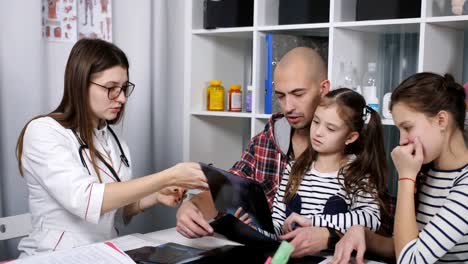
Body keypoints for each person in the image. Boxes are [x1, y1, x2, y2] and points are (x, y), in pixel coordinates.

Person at [16, 38, 208, 256]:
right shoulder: (43, 131)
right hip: (53, 255)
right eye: (111, 88)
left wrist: (156, 195)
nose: (122, 98)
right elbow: (87, 200)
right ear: (80, 83)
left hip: (103, 252)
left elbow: (116, 208)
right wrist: (168, 177)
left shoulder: (113, 142)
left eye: (124, 88)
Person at [176, 47, 330, 238]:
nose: (288, 107)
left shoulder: (352, 145)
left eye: (298, 94)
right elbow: (228, 192)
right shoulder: (264, 143)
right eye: (281, 96)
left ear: (323, 89)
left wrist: (329, 237)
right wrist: (192, 207)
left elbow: (370, 220)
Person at [333, 72, 468, 264]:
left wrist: (405, 177)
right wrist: (362, 233)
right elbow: (404, 245)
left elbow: (409, 260)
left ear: (441, 121)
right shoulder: (428, 171)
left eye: (408, 127)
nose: (402, 141)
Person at [253, 88, 387, 257]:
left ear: (350, 137)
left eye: (330, 128)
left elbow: (370, 219)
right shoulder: (294, 169)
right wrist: (255, 230)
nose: (318, 132)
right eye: (316, 122)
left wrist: (313, 222)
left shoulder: (357, 174)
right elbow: (278, 223)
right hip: (289, 257)